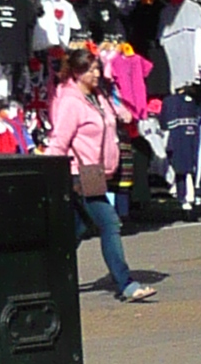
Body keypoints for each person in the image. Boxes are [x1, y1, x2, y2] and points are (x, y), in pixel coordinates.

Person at [50, 46, 156, 303]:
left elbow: (113, 118)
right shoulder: (69, 102)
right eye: (90, 70)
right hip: (81, 174)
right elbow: (59, 141)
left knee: (76, 231)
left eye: (97, 68)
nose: (96, 73)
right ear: (76, 73)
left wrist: (122, 112)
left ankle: (47, 276)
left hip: (100, 173)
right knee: (110, 223)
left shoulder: (99, 96)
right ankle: (126, 283)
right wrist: (50, 175)